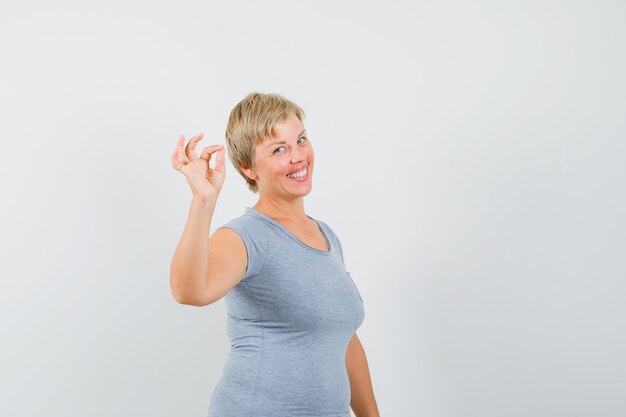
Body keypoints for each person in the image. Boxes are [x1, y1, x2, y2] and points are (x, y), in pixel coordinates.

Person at [169, 92, 380, 417]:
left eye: (301, 140)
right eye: (279, 149)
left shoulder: (326, 236)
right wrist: (203, 201)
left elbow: (343, 338)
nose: (298, 156)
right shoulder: (246, 236)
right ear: (248, 168)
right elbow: (189, 291)